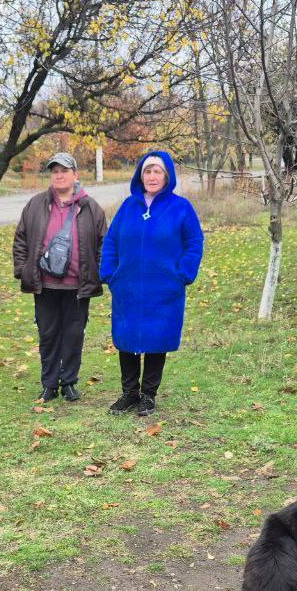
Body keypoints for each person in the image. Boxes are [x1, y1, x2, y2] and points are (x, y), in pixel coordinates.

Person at [100, 151, 204, 417]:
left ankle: (148, 395)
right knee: (127, 337)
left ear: (167, 176)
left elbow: (194, 243)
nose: (152, 176)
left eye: (158, 171)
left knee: (157, 337)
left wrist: (182, 274)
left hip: (164, 289)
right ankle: (129, 393)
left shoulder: (181, 208)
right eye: (147, 171)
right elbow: (111, 241)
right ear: (140, 175)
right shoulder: (128, 207)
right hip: (128, 287)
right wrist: (111, 272)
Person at [12, 152, 107, 402]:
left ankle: (69, 382)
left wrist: (96, 272)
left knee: (74, 335)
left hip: (77, 286)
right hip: (45, 285)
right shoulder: (35, 205)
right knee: (48, 334)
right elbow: (20, 240)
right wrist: (22, 269)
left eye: (64, 170)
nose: (59, 175)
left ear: (75, 175)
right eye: (54, 171)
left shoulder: (91, 208)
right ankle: (50, 384)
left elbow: (103, 244)